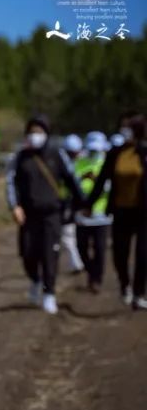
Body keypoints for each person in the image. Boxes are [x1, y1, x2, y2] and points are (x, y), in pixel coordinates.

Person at [6, 116, 85, 315]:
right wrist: (14, 206)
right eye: (32, 132)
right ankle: (35, 279)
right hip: (28, 215)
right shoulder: (20, 158)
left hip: (52, 214)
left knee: (50, 254)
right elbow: (11, 183)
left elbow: (71, 180)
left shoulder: (57, 155)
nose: (35, 136)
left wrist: (82, 203)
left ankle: (49, 293)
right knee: (28, 253)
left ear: (47, 134)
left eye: (39, 132)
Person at [85, 112, 147, 309]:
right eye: (122, 126)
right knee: (120, 253)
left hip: (143, 211)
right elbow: (102, 179)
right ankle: (125, 285)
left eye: (128, 127)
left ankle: (139, 293)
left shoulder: (144, 153)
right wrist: (88, 204)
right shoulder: (115, 153)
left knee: (143, 254)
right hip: (121, 210)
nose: (124, 130)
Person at [75, 131, 112, 294]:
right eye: (91, 149)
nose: (94, 152)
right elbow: (72, 184)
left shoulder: (108, 164)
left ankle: (96, 279)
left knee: (99, 249)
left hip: (101, 216)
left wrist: (96, 180)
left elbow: (111, 188)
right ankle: (91, 272)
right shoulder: (79, 163)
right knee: (81, 248)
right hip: (82, 215)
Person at [60, 134, 87, 274]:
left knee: (68, 234)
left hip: (70, 203)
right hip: (64, 202)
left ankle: (76, 263)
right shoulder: (63, 162)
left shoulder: (80, 162)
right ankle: (76, 262)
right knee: (67, 235)